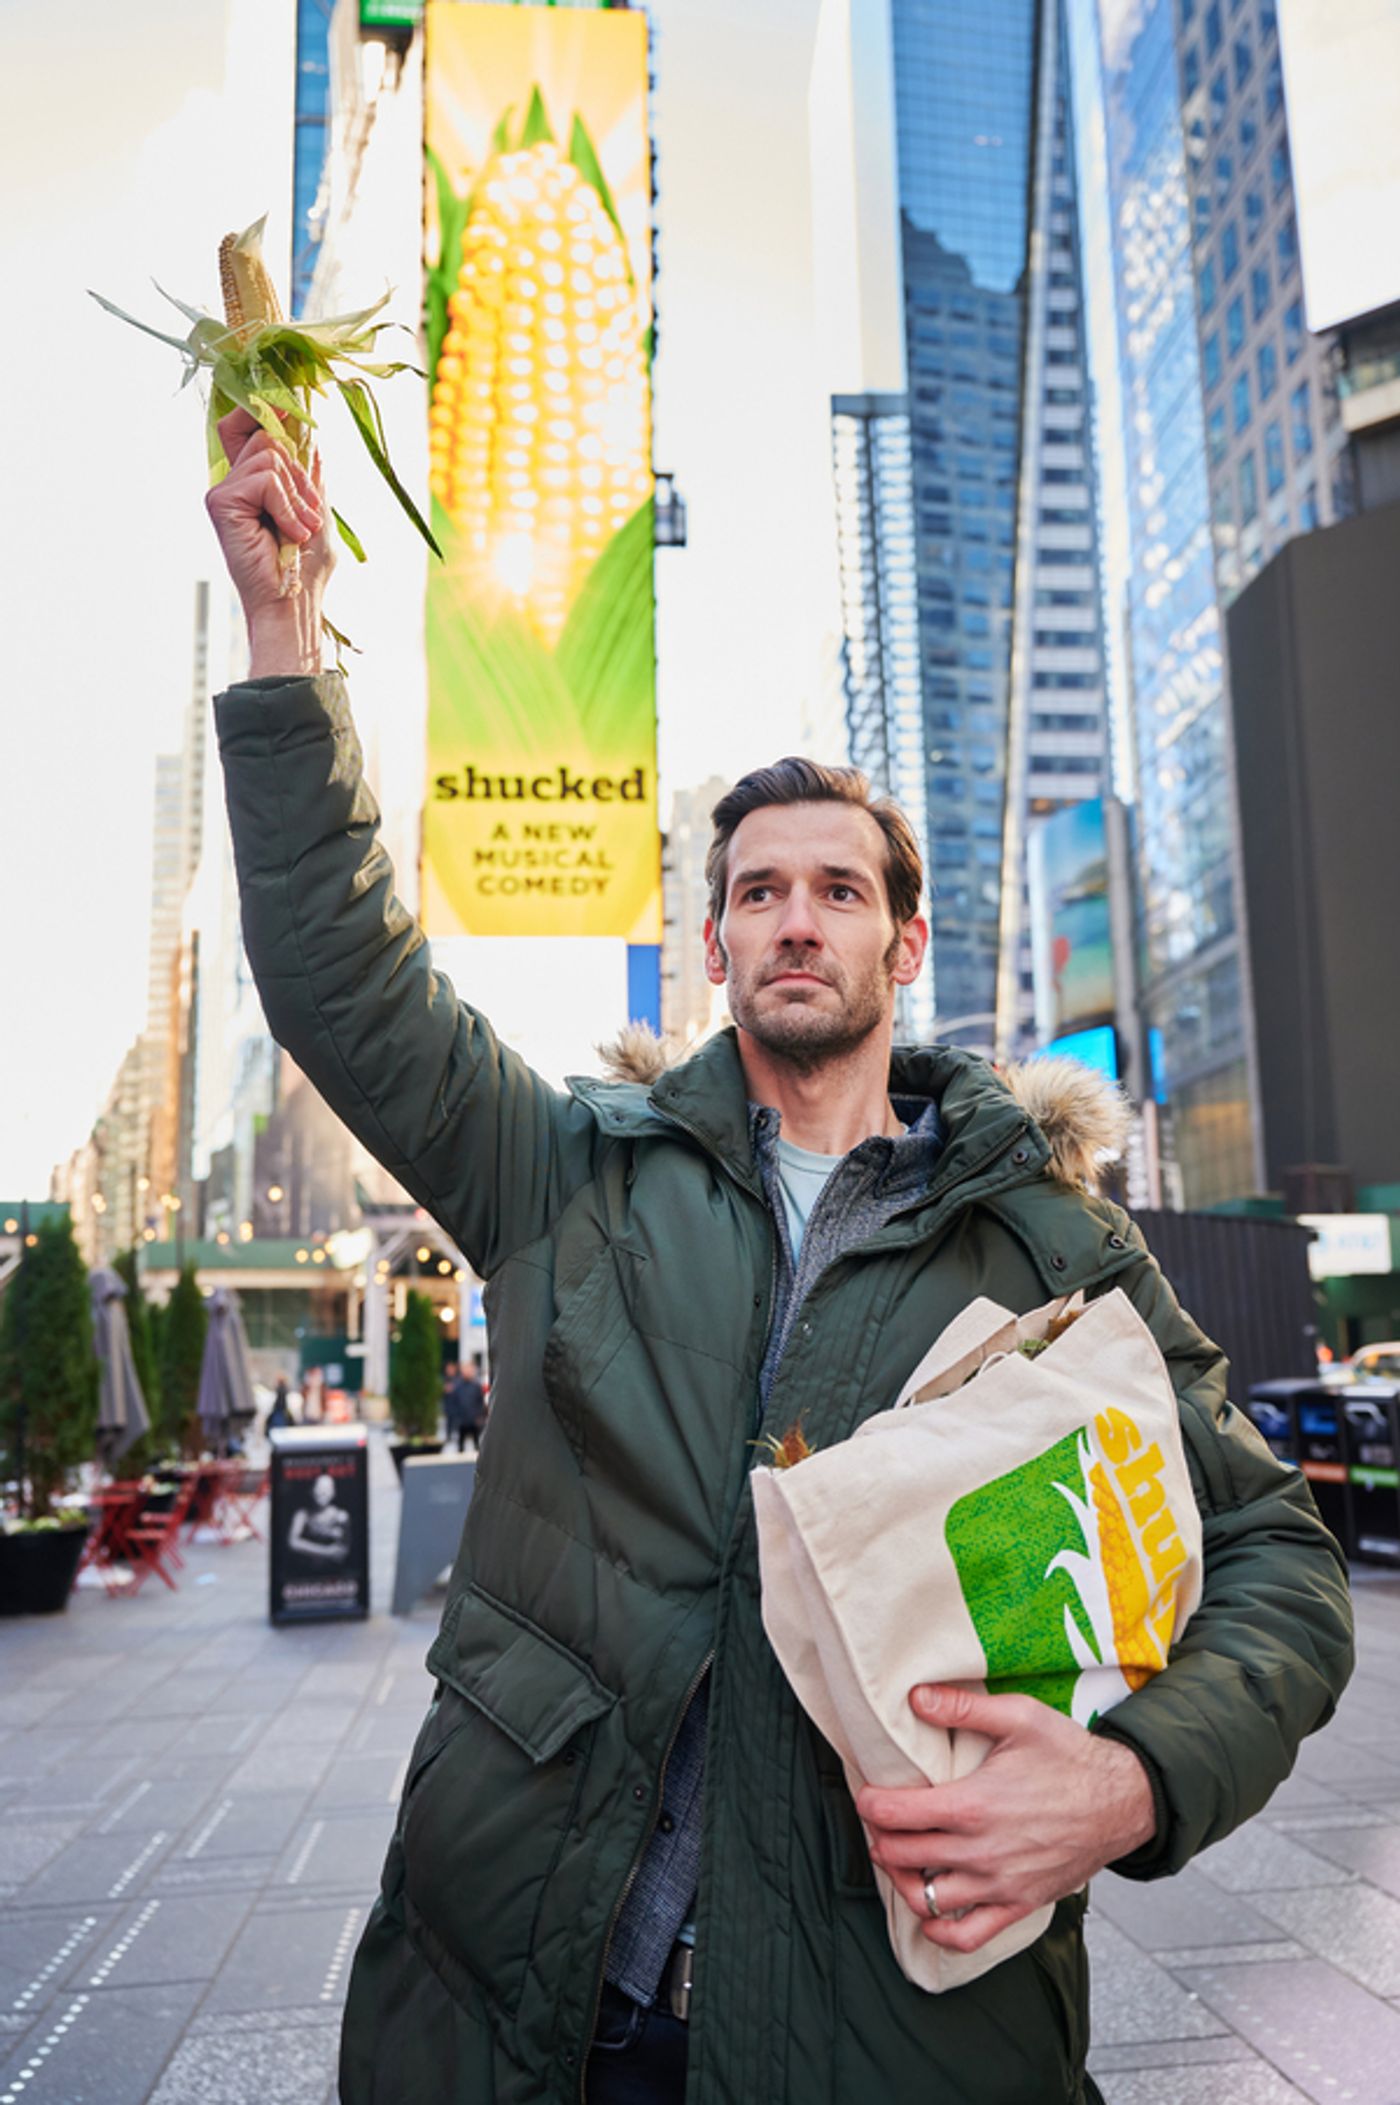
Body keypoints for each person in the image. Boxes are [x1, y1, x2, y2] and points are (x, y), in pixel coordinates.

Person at [207, 415, 1353, 2104]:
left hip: (885, 2039)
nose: (794, 917)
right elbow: (345, 988)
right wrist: (286, 632)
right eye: (756, 891)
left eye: (834, 887)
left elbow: (1281, 1559)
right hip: (537, 2010)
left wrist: (1131, 1785)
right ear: (716, 938)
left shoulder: (1054, 1247)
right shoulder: (565, 1176)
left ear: (904, 939)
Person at [441, 1359, 487, 1454]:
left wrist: (479, 1417)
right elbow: (453, 1403)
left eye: (469, 1369)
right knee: (460, 1447)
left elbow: (480, 1403)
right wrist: (456, 1417)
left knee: (477, 1446)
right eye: (465, 1369)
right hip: (461, 1421)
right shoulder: (457, 1386)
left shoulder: (476, 1386)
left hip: (474, 1421)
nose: (467, 1372)